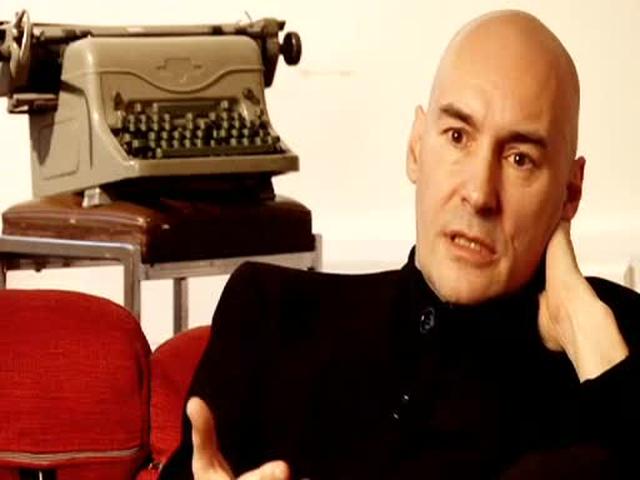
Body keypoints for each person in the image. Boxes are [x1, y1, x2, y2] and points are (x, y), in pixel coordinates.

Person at [160, 10, 640, 479]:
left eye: (520, 159)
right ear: (416, 147)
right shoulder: (271, 313)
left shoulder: (618, 346)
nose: (479, 194)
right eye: (457, 136)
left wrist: (584, 330)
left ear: (570, 192)